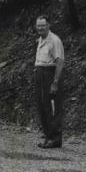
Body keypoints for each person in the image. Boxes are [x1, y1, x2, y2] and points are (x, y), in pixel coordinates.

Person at [33, 15, 65, 148]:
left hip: (50, 75)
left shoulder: (54, 40)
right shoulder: (41, 39)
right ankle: (48, 136)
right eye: (38, 26)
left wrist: (55, 82)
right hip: (40, 74)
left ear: (48, 26)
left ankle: (55, 138)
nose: (40, 28)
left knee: (52, 107)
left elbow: (60, 62)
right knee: (42, 106)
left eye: (42, 25)